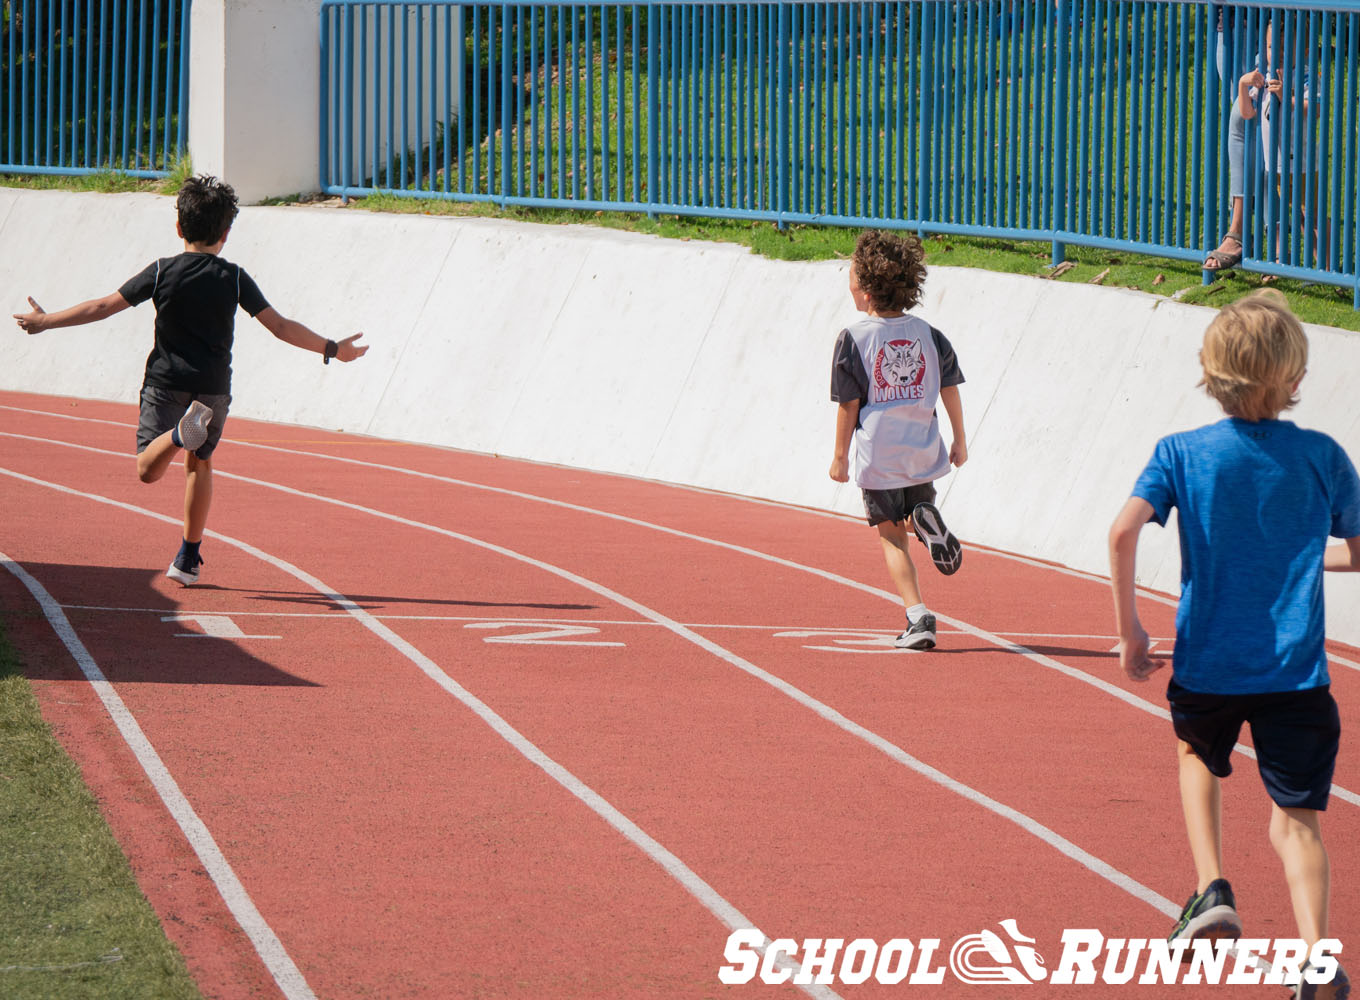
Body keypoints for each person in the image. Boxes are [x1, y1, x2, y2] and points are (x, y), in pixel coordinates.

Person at [1109, 291, 1360, 999]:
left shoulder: (1182, 453)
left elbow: (1122, 531)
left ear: (1210, 373)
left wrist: (1129, 628)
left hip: (1210, 664)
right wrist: (1306, 557)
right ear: (1294, 376)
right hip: (1297, 675)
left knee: (1196, 755)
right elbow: (1357, 550)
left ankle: (1211, 884)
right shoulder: (1322, 457)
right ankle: (1318, 958)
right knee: (1298, 822)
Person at [13, 174, 367, 586]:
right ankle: (188, 557)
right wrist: (331, 348)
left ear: (179, 227)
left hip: (166, 382)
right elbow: (281, 326)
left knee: (148, 469)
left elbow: (102, 306)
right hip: (213, 389)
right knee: (201, 464)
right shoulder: (234, 277)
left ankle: (178, 437)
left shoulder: (162, 272)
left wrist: (45, 321)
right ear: (226, 233)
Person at [829, 230, 967, 651]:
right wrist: (960, 439)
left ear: (866, 288)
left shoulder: (854, 339)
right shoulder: (929, 334)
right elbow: (950, 389)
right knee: (912, 513)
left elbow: (848, 407)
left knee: (892, 537)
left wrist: (839, 459)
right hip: (922, 448)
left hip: (880, 454)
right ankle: (924, 516)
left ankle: (918, 616)